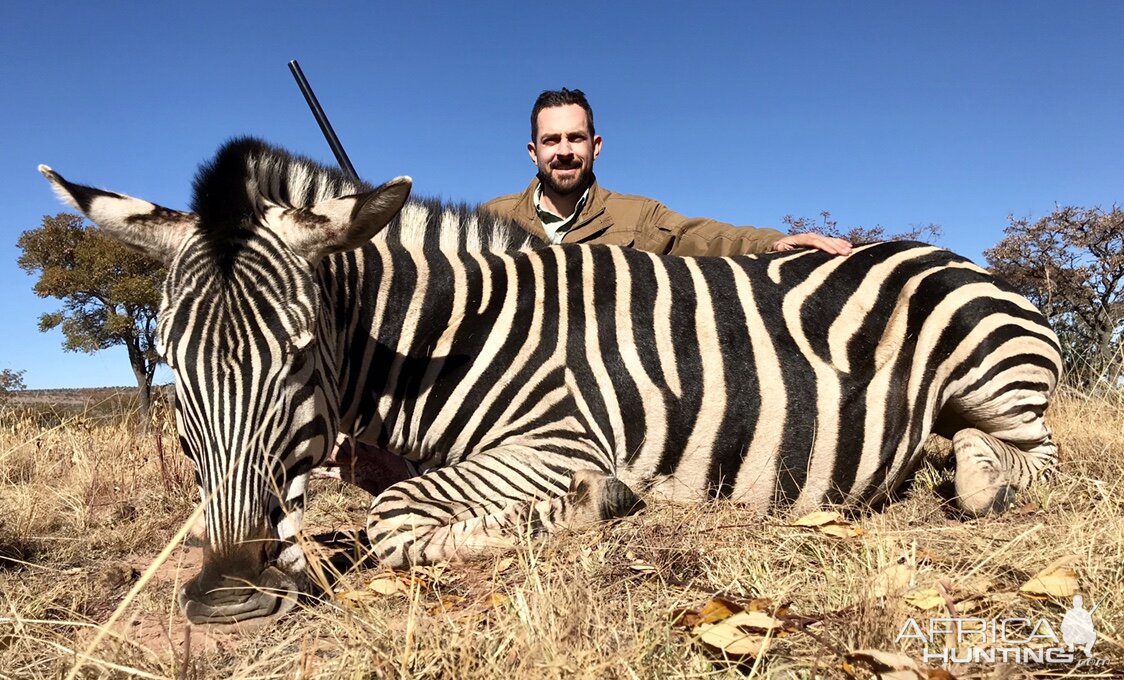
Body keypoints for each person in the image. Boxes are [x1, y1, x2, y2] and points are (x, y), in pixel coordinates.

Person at [483, 88, 852, 257]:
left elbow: (702, 235)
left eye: (575, 138)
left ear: (595, 146)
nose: (564, 151)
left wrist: (772, 241)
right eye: (552, 140)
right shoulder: (491, 218)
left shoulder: (637, 216)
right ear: (534, 152)